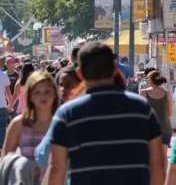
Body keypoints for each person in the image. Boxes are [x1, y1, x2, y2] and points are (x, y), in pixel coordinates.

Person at [44, 42, 164, 185]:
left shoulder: (67, 114)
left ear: (80, 74)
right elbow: (157, 163)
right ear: (115, 69)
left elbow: (57, 167)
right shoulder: (142, 109)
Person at [0, 71, 58, 185]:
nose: (42, 96)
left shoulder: (62, 124)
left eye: (47, 92)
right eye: (37, 92)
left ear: (55, 94)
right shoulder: (19, 124)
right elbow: (6, 160)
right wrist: (25, 165)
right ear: (30, 96)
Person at [140, 70, 172, 172]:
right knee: (164, 157)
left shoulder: (144, 92)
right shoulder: (167, 93)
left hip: (150, 129)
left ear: (150, 80)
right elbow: (170, 112)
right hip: (165, 128)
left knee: (150, 157)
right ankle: (164, 181)